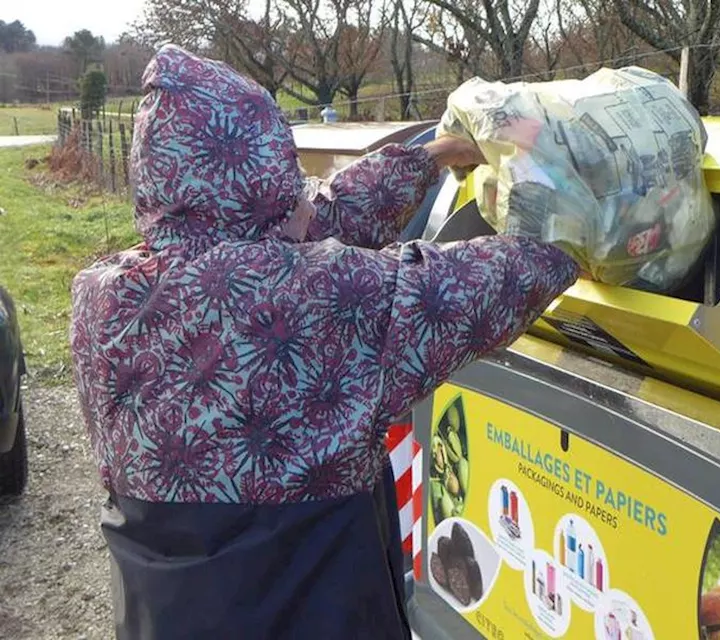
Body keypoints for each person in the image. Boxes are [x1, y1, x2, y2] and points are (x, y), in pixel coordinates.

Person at [69, 45, 580, 639]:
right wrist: (580, 227)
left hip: (166, 619)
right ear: (261, 177)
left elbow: (310, 225)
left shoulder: (102, 297)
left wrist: (430, 157)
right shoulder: (319, 300)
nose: (305, 198)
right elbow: (490, 283)